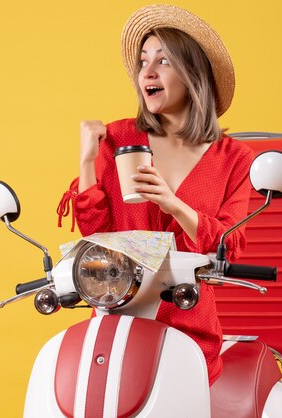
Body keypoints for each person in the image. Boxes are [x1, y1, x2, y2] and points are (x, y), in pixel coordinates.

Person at [56, 4, 253, 386]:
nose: (147, 70)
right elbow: (94, 231)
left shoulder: (234, 159)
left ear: (194, 74)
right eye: (144, 60)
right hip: (118, 319)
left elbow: (230, 245)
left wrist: (173, 204)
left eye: (163, 61)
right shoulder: (119, 139)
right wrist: (86, 161)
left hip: (189, 324)